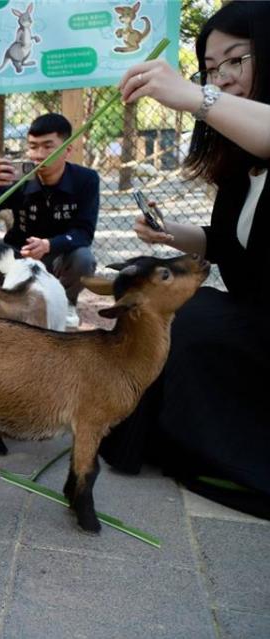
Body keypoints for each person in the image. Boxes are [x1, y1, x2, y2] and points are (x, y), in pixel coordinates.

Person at [99, 0, 270, 518]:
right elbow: (227, 244)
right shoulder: (243, 167)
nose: (225, 77)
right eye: (212, 69)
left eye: (236, 60)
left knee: (191, 321)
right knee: (153, 303)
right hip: (255, 316)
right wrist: (170, 235)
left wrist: (197, 95)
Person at [0, 113, 99, 329]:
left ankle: (67, 302)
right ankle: (10, 299)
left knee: (84, 259)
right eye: (33, 147)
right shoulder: (20, 180)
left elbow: (84, 232)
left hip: (59, 258)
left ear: (67, 149)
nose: (39, 155)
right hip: (19, 258)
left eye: (48, 146)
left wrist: (49, 245)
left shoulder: (86, 180)